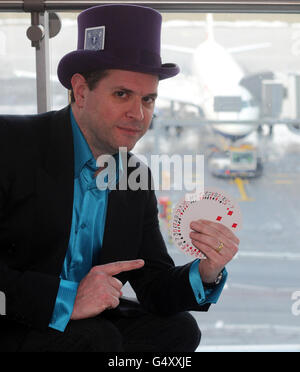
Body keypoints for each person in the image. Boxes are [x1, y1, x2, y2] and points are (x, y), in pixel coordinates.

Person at [0, 4, 239, 352]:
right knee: (97, 340)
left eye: (148, 99)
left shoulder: (133, 175)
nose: (138, 114)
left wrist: (206, 271)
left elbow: (152, 281)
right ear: (81, 92)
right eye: (122, 94)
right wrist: (66, 298)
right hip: (15, 316)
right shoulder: (10, 143)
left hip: (88, 328)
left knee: (179, 331)